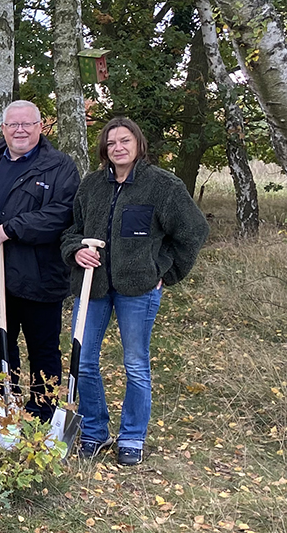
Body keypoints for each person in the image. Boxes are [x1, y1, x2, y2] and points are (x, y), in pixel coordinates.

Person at [61, 117, 208, 465]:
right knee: (83, 361)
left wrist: (166, 271)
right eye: (111, 143)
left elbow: (194, 231)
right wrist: (76, 250)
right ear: (104, 149)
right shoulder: (92, 185)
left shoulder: (162, 186)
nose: (118, 148)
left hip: (138, 290)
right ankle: (95, 432)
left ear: (138, 145)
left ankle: (132, 437)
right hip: (92, 286)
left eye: (124, 141)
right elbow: (72, 230)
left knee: (135, 364)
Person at [0, 100, 81, 421]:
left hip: (39, 276)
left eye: (27, 124)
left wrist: (13, 228)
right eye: (13, 125)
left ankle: (41, 414)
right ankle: (6, 402)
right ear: (3, 129)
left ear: (39, 127)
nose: (19, 130)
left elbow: (62, 214)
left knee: (42, 349)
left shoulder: (59, 166)